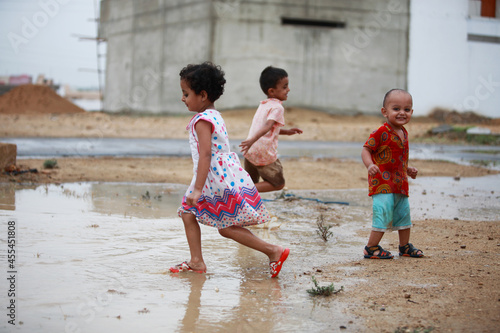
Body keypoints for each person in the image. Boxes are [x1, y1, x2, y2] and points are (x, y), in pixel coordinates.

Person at [169, 62, 289, 277]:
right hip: (222, 175)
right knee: (193, 215)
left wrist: (197, 189)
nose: (182, 98)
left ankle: (273, 250)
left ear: (203, 95)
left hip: (214, 179)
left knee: (221, 226)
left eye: (186, 94)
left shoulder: (202, 120)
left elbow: (206, 155)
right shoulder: (215, 115)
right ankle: (197, 261)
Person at [361, 88, 424, 259]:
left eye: (407, 109)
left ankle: (404, 247)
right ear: (385, 112)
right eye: (396, 109)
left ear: (412, 111)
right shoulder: (381, 131)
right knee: (383, 213)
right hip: (381, 184)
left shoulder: (404, 133)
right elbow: (366, 149)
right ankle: (371, 247)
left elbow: (398, 158)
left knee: (404, 214)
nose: (402, 113)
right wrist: (370, 165)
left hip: (399, 183)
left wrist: (408, 169)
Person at [239, 66, 303, 193]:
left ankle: (244, 206)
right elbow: (267, 126)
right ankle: (241, 190)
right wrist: (252, 140)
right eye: (284, 87)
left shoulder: (264, 104)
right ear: (272, 91)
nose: (288, 89)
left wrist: (287, 131)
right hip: (263, 151)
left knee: (251, 182)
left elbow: (268, 128)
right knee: (278, 184)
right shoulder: (277, 108)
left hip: (251, 150)